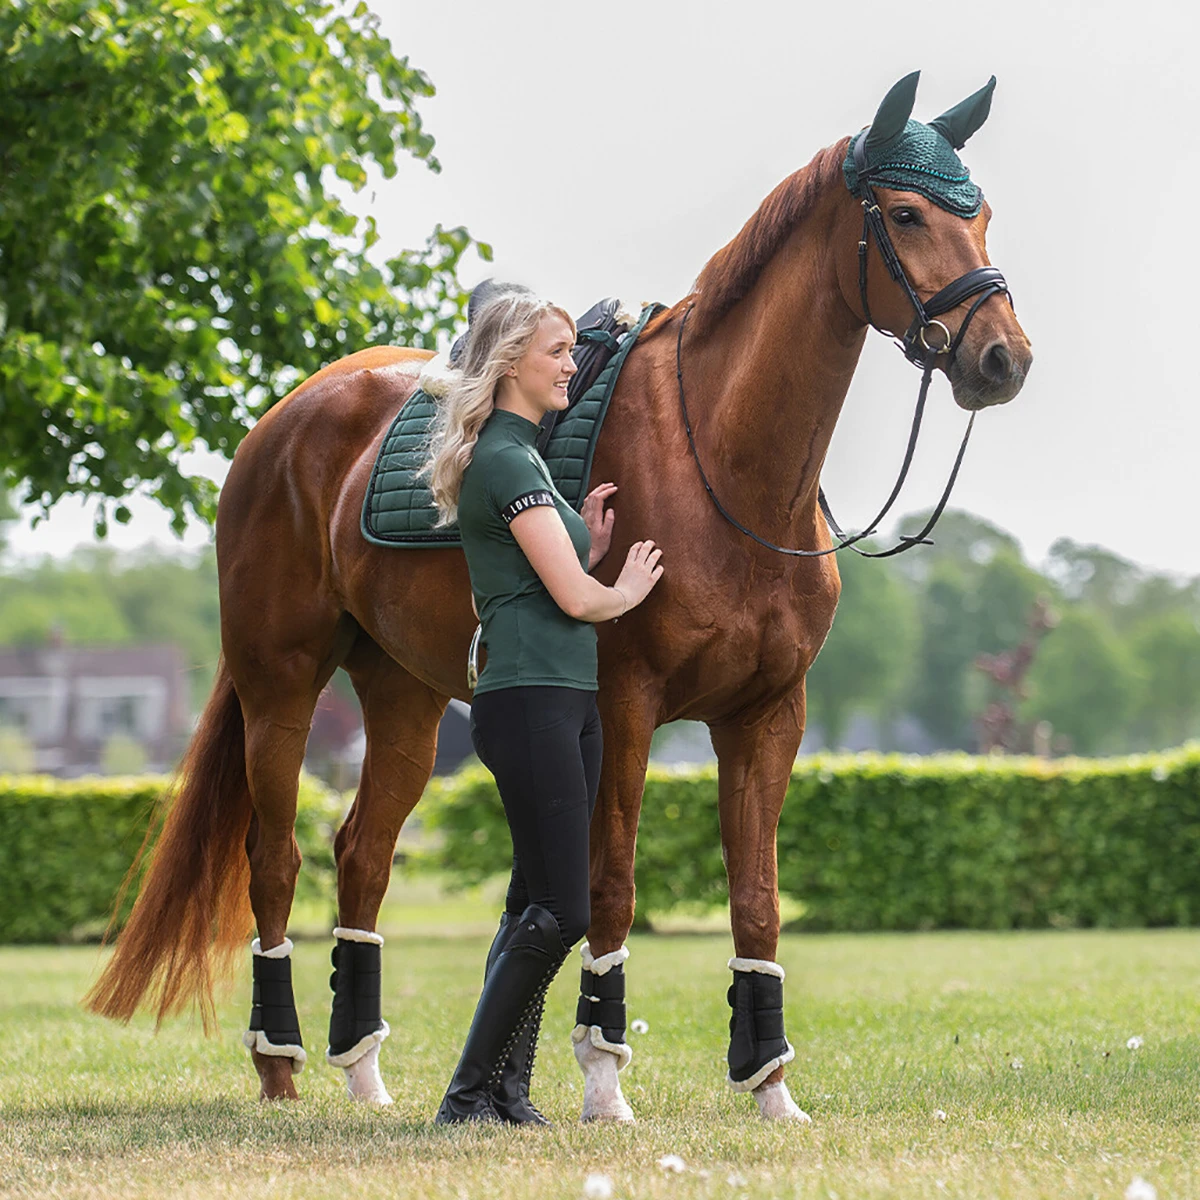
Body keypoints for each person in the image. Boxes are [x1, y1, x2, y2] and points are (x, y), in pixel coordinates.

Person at [426, 286, 663, 1125]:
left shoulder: (522, 459)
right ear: (509, 362)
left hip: (564, 694)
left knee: (533, 897)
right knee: (563, 908)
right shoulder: (505, 458)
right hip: (530, 699)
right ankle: (467, 1094)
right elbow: (575, 599)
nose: (571, 364)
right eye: (557, 351)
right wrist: (619, 584)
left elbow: (548, 567)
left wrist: (586, 540)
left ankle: (508, 1093)